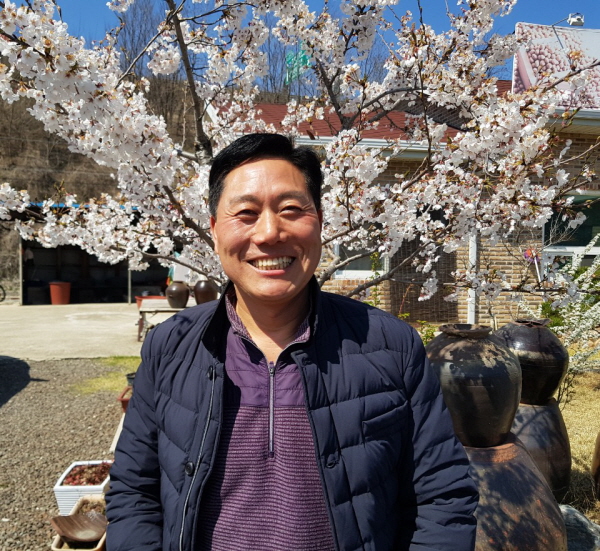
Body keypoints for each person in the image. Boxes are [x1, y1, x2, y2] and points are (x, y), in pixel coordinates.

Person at [106, 133, 478, 551]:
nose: (269, 233)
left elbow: (443, 496)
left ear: (319, 221)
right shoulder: (170, 346)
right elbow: (133, 491)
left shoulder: (391, 345)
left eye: (290, 210)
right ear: (214, 230)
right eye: (246, 213)